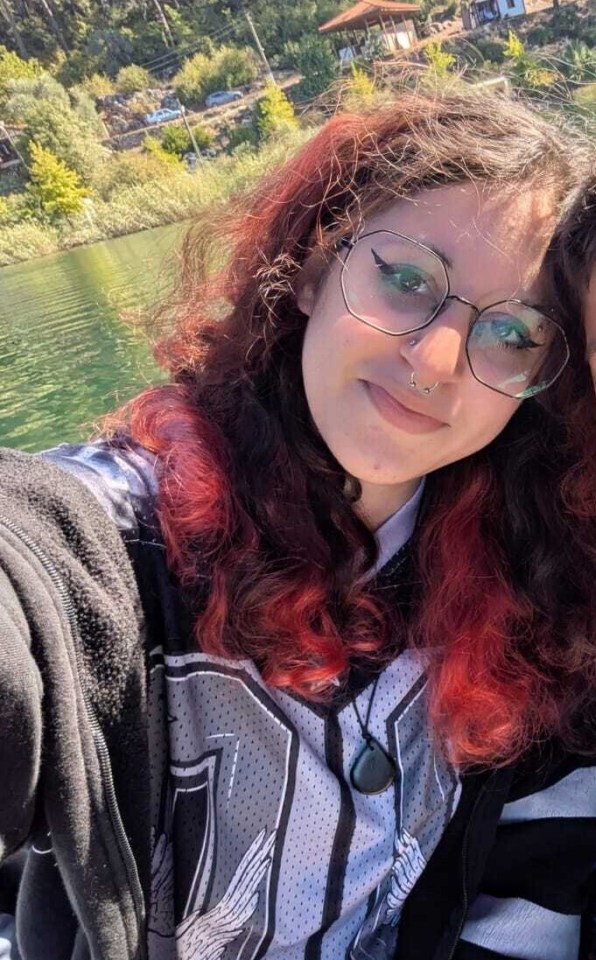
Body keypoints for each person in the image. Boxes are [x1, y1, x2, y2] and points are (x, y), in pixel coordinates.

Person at [1, 89, 596, 960]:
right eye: (405, 280)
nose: (435, 360)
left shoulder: (518, 583)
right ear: (316, 266)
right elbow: (35, 575)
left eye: (511, 332)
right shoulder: (125, 534)